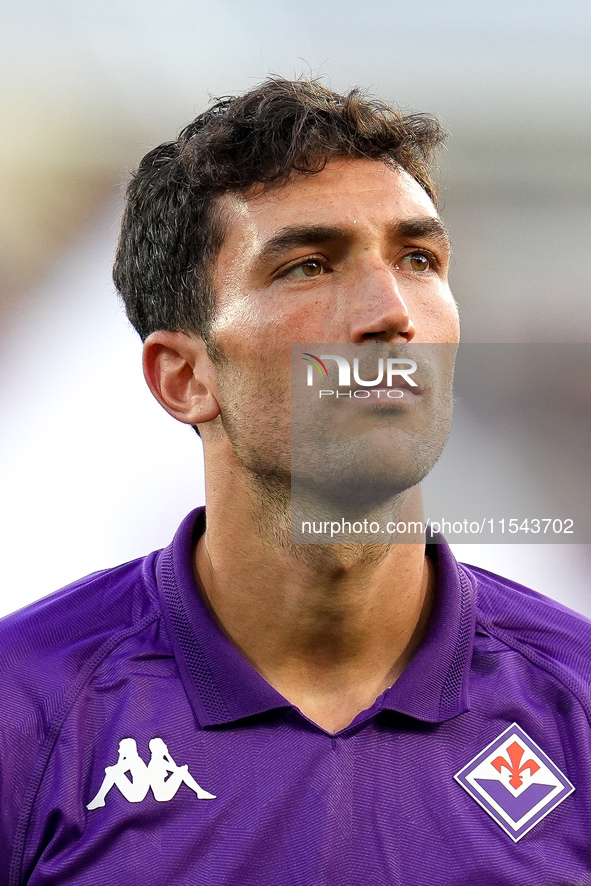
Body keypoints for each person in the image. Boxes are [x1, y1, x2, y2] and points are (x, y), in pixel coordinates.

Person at [1, 78, 590, 885]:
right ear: (183, 379)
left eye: (418, 259)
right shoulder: (27, 708)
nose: (391, 312)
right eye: (309, 266)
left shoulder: (575, 699)